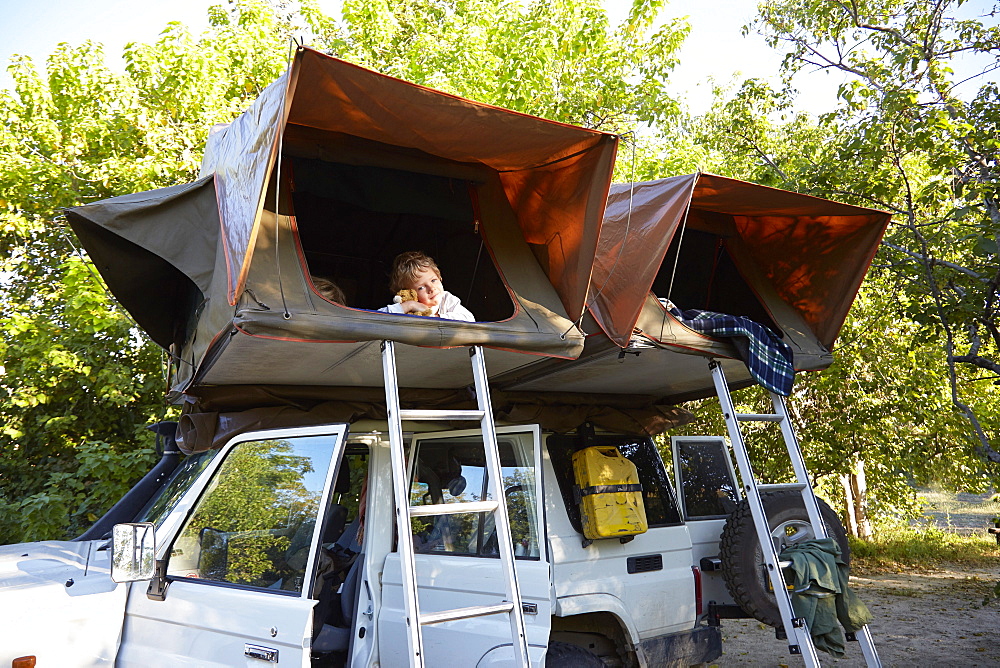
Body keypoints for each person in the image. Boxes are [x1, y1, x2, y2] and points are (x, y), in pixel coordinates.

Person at [379, 251, 476, 321]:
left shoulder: (446, 299)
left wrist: (434, 318)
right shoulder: (407, 307)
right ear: (409, 293)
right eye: (421, 288)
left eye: (433, 280)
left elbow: (469, 319)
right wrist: (409, 305)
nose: (431, 288)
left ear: (440, 278)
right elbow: (376, 318)